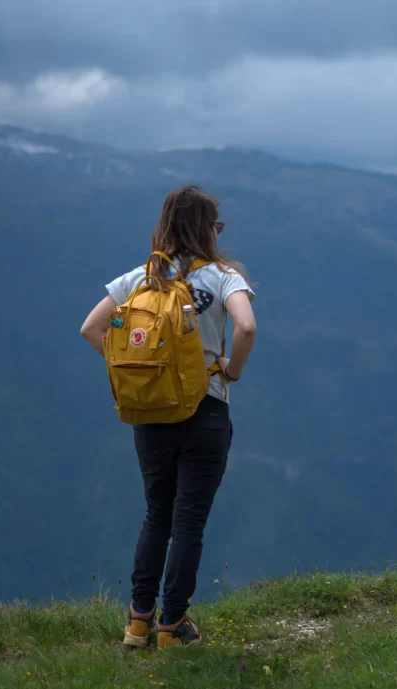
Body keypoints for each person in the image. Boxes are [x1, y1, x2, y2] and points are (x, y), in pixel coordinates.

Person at [79, 184, 257, 646]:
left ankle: (138, 621)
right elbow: (247, 326)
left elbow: (90, 328)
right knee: (188, 523)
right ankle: (172, 625)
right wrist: (230, 371)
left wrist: (134, 372)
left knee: (156, 515)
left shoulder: (140, 279)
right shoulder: (223, 278)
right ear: (207, 231)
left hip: (151, 415)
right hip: (206, 412)